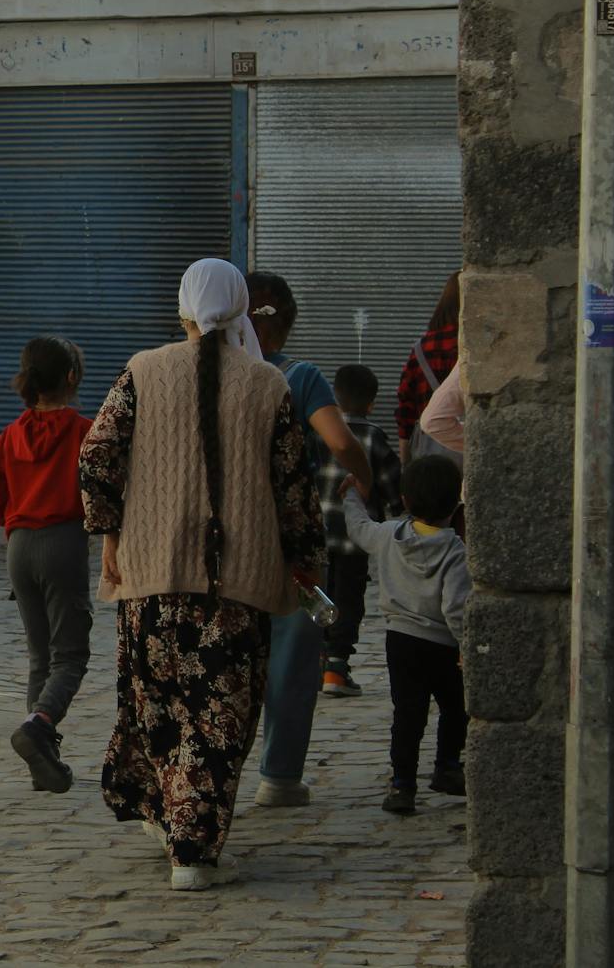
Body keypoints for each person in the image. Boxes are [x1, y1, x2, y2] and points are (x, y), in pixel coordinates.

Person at [80, 258, 324, 892]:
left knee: (157, 702)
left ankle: (168, 819)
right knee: (218, 716)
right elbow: (294, 490)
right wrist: (305, 564)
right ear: (241, 307)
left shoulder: (141, 370)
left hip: (151, 578)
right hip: (234, 589)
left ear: (183, 310)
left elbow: (99, 453)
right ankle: (191, 849)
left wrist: (110, 536)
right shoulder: (269, 384)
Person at [245, 272, 374, 808]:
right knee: (296, 651)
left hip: (227, 539)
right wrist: (364, 478)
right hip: (293, 541)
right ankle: (279, 776)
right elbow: (341, 440)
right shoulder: (300, 377)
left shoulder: (216, 375)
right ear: (287, 320)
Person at [0, 337, 93, 794]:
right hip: (63, 542)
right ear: (71, 377)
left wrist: (18, 517)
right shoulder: (86, 431)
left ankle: (41, 764)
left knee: (39, 656)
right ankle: (39, 726)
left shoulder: (9, 435)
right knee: (71, 656)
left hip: (19, 547)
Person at [341, 455, 471, 815]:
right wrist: (466, 646)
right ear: (456, 506)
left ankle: (402, 786)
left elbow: (358, 527)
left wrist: (351, 494)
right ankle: (446, 766)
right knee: (455, 708)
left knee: (408, 715)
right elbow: (455, 607)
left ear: (407, 500)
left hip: (401, 642)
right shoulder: (455, 551)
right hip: (443, 646)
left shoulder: (388, 536)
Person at [317, 364, 404, 698]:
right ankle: (337, 669)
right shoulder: (374, 436)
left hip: (319, 537)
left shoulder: (319, 431)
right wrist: (396, 516)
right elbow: (390, 484)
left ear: (334, 398)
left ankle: (317, 658)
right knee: (349, 601)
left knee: (318, 596)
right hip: (355, 539)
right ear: (371, 403)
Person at [398, 270, 461, 463]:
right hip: (465, 446)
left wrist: (405, 464)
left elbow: (405, 410)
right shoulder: (472, 349)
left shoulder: (420, 350)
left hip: (429, 456)